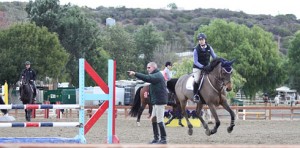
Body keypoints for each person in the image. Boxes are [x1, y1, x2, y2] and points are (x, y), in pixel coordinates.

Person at [128, 62, 168, 144]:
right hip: (156, 102)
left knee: (160, 120)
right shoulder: (156, 75)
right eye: (147, 67)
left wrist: (135, 73)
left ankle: (163, 139)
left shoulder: (157, 75)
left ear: (154, 67)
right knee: (153, 119)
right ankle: (156, 138)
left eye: (149, 67)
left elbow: (147, 78)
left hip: (159, 102)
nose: (147, 69)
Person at [192, 33, 217, 102]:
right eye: (199, 40)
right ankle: (196, 95)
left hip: (207, 66)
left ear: (205, 40)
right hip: (197, 67)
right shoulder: (196, 49)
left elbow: (214, 56)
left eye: (202, 39)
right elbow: (195, 61)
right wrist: (202, 67)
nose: (201, 41)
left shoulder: (209, 47)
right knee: (197, 79)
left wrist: (217, 61)